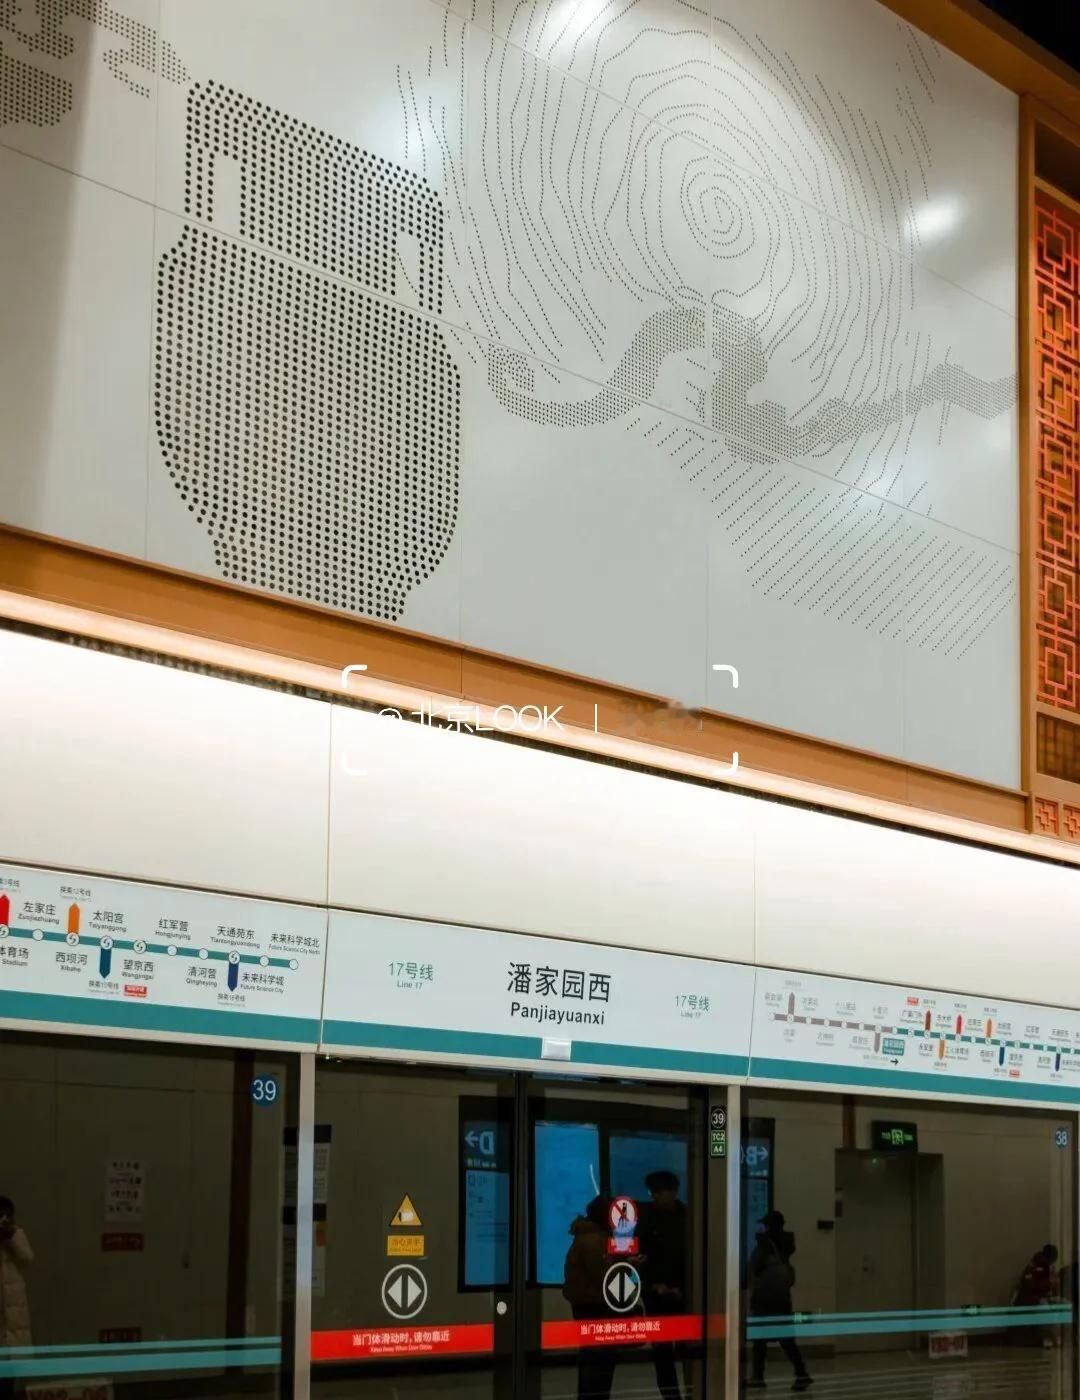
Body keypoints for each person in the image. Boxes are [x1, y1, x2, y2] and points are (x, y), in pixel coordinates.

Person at [747, 1210, 811, 1392]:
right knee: (787, 1340)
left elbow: (756, 1268)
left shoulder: (765, 1244)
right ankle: (801, 1373)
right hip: (782, 1297)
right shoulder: (786, 1246)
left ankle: (758, 1376)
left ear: (769, 1226)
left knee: (759, 1340)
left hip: (765, 1297)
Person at [639, 1170, 687, 1400]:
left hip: (685, 1296)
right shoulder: (646, 1219)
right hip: (657, 1297)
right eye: (653, 1193)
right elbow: (639, 1258)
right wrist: (653, 1285)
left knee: (689, 1351)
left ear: (673, 1192)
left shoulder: (689, 1218)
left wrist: (683, 1287)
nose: (655, 1197)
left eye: (659, 1192)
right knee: (662, 1354)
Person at [564, 1195, 617, 1400]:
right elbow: (603, 1277)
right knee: (599, 1363)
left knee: (591, 1359)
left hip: (586, 1304)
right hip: (595, 1305)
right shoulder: (594, 1241)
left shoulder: (588, 1237)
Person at [0, 1195, 33, 1400]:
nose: (3, 1220)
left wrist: (12, 1235)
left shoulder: (15, 1235)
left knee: (7, 1377)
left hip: (11, 1318)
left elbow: (27, 1259)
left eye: (7, 1215)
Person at [1014, 1243, 1059, 1347]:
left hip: (1044, 1296)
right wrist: (1049, 1282)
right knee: (1045, 1310)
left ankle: (1057, 1336)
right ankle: (1045, 1337)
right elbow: (1029, 1285)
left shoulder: (1048, 1267)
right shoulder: (1035, 1266)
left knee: (1065, 1305)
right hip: (1033, 1298)